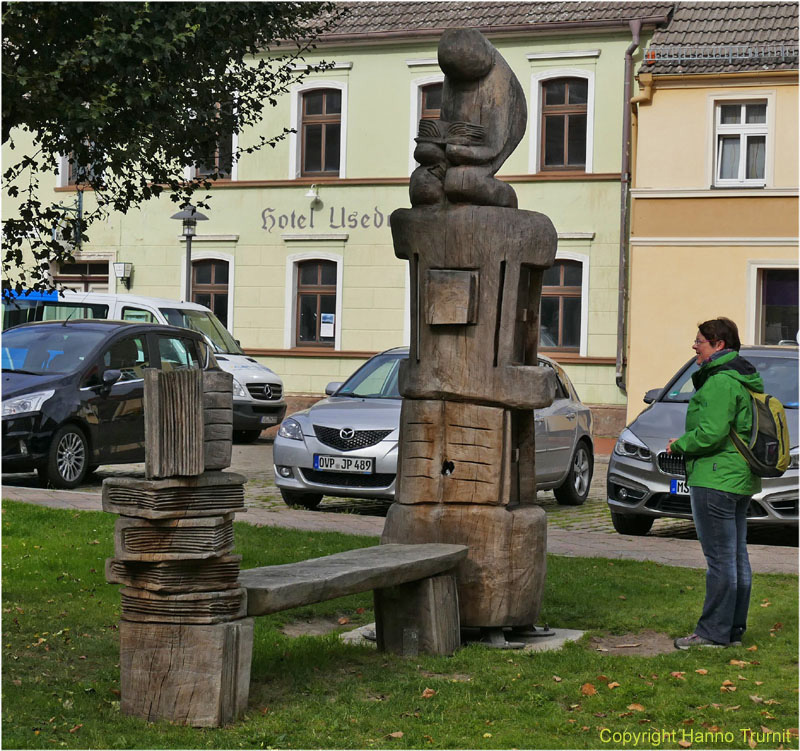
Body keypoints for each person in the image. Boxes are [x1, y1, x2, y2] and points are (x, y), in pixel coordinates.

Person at [667, 317, 762, 649]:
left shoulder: (721, 381)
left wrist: (680, 444)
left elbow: (711, 433)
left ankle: (712, 633)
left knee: (722, 560)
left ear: (719, 345)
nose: (695, 346)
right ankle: (732, 630)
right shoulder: (741, 377)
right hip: (737, 478)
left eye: (700, 341)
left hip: (716, 477)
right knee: (735, 557)